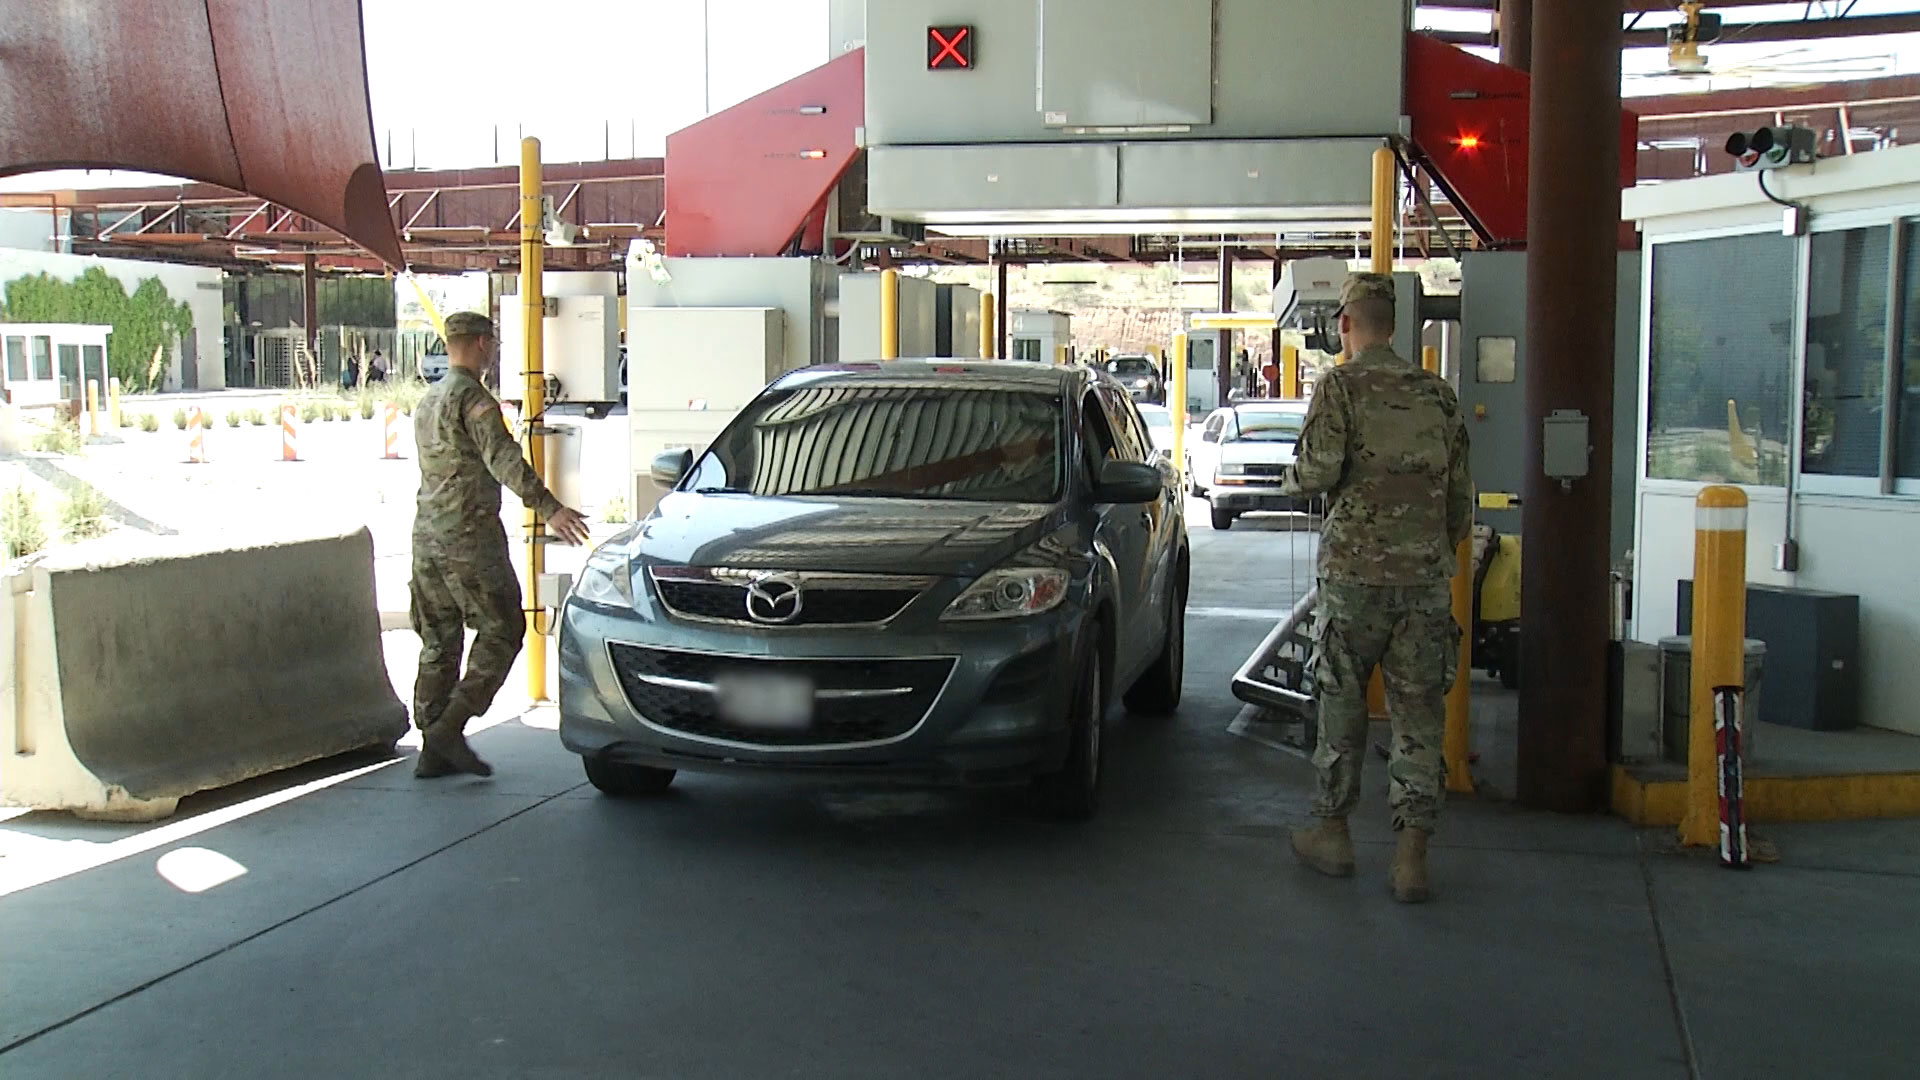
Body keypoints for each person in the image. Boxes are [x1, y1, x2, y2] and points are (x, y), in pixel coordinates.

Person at [1279, 272, 1471, 903]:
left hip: (1354, 581)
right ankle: (1412, 856)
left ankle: (1333, 833)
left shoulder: (1340, 386)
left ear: (1345, 324)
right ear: (1396, 324)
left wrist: (1291, 476)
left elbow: (1317, 472)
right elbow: (1460, 506)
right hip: (1422, 583)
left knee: (1341, 701)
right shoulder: (1439, 396)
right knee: (1419, 715)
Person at [409, 311, 590, 778]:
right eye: (491, 344)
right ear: (482, 344)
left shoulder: (427, 401)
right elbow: (504, 460)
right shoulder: (474, 400)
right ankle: (449, 727)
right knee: (504, 626)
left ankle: (432, 745)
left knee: (439, 637)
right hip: (467, 536)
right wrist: (550, 507)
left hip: (425, 535)